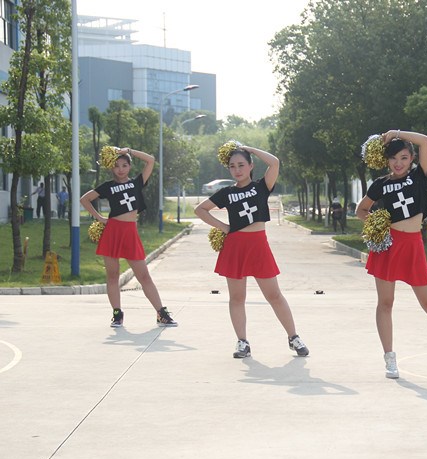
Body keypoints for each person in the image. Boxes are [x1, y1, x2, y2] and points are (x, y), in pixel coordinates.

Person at [355, 130, 427, 379]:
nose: (398, 163)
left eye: (404, 157)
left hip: (413, 245)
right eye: (393, 158)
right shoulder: (380, 184)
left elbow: (425, 141)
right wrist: (376, 224)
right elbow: (361, 210)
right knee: (386, 303)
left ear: (412, 159)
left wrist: (395, 133)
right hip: (389, 245)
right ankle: (390, 359)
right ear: (386, 160)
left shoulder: (418, 175)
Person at [194, 143, 309, 359]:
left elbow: (274, 163)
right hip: (235, 246)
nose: (237, 170)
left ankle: (293, 337)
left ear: (250, 166)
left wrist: (250, 149)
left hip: (258, 245)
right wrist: (224, 227)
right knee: (237, 297)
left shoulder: (261, 187)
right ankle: (242, 342)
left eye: (241, 165)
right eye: (232, 166)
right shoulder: (227, 192)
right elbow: (200, 210)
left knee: (274, 295)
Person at [79, 147, 178, 328]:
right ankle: (117, 314)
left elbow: (150, 160)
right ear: (111, 167)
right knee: (112, 276)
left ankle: (161, 313)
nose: (120, 169)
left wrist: (128, 151)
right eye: (116, 166)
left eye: (124, 165)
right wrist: (99, 218)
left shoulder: (137, 183)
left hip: (130, 232)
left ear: (130, 166)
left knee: (144, 276)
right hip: (112, 231)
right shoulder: (108, 186)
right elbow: (84, 199)